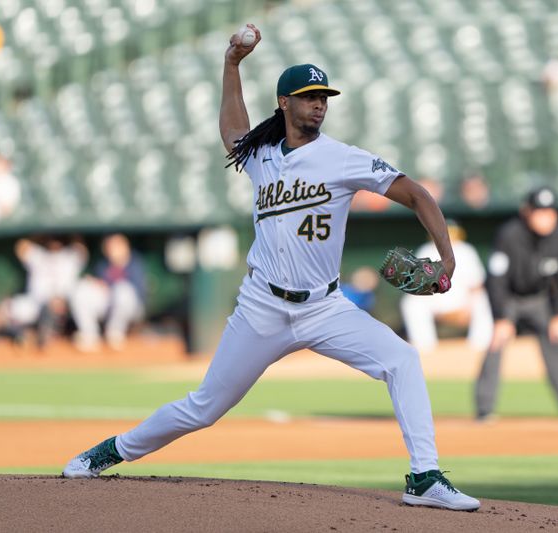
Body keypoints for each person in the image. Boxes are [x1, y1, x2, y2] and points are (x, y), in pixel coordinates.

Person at [61, 24, 480, 512]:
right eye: (308, 97)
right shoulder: (262, 155)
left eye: (323, 96)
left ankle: (425, 477)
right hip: (262, 306)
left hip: (325, 307)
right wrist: (232, 65)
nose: (319, 104)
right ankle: (110, 451)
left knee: (402, 361)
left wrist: (446, 256)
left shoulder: (342, 158)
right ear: (284, 103)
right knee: (204, 408)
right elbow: (233, 131)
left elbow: (417, 193)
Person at [475, 187, 558, 421]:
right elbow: (496, 278)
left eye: (550, 212)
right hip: (509, 298)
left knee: (556, 341)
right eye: (539, 212)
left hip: (539, 299)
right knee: (497, 343)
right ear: (527, 212)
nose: (546, 217)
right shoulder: (509, 234)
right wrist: (501, 317)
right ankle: (484, 409)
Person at [400, 221, 493, 353]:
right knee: (411, 302)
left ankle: (480, 346)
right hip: (435, 302)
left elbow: (476, 285)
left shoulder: (466, 250)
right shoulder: (426, 250)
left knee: (483, 298)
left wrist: (467, 308)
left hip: (462, 302)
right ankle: (424, 346)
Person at [0, 236, 88, 346]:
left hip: (62, 306)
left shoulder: (69, 256)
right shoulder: (39, 255)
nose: (54, 243)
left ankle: (48, 334)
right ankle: (23, 335)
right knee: (2, 310)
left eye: (57, 238)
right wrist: (41, 234)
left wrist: (71, 235)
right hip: (35, 304)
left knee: (55, 306)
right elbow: (21, 246)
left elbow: (81, 249)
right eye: (52, 239)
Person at [69, 234, 146, 352]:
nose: (112, 251)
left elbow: (137, 291)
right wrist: (97, 284)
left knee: (123, 291)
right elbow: (102, 285)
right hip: (107, 304)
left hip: (131, 308)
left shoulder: (135, 263)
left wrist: (108, 286)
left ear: (125, 247)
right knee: (81, 288)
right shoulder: (103, 264)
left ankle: (115, 335)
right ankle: (90, 336)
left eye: (116, 246)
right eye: (109, 247)